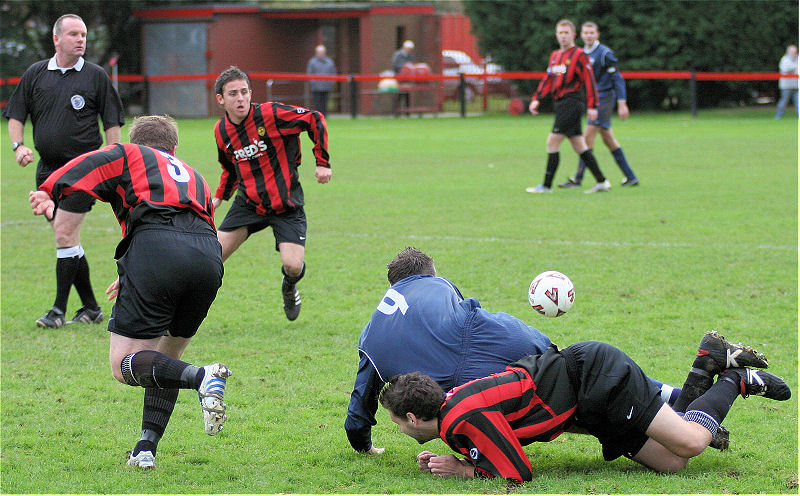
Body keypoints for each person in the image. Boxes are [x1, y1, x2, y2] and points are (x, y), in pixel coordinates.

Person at [29, 115, 232, 470]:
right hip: (207, 257)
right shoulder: (194, 175)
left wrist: (48, 189)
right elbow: (195, 227)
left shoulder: (130, 153)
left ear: (136, 140)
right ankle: (145, 449)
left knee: (123, 365)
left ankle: (204, 376)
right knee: (167, 359)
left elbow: (89, 162)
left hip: (157, 249)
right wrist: (135, 272)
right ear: (174, 148)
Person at [345, 247, 683, 455]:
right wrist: (543, 348)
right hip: (488, 346)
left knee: (559, 410)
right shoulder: (438, 283)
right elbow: (471, 319)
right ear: (429, 273)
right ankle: (668, 401)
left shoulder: (370, 335)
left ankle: (652, 425)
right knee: (571, 373)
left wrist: (362, 443)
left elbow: (361, 399)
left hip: (449, 399)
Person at [380, 332, 788, 483]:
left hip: (596, 378)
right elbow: (497, 441)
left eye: (398, 423)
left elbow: (518, 472)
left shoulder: (461, 418)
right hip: (584, 407)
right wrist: (454, 460)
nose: (400, 430)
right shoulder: (455, 407)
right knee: (671, 463)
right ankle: (707, 364)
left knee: (693, 442)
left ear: (413, 417)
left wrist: (463, 470)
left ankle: (736, 381)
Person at [3, 13, 125, 328]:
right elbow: (15, 114)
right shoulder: (35, 74)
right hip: (46, 174)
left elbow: (112, 123)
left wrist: (111, 165)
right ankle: (91, 308)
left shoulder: (96, 76)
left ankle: (58, 311)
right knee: (68, 238)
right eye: (73, 34)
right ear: (57, 38)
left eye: (83, 34)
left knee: (63, 233)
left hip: (84, 172)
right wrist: (19, 146)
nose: (80, 39)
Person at [212, 66, 331, 321]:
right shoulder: (221, 131)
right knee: (210, 259)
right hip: (249, 204)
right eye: (233, 94)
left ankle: (289, 285)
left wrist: (322, 162)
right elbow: (230, 167)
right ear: (221, 99)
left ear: (251, 93)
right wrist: (219, 196)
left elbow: (314, 118)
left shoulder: (271, 114)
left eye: (244, 92)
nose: (240, 98)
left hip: (286, 203)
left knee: (293, 265)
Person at [526, 19, 610, 194]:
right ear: (556, 35)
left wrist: (593, 106)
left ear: (573, 35)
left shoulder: (579, 55)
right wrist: (537, 98)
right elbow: (548, 79)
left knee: (552, 141)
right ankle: (602, 181)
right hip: (561, 103)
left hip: (572, 102)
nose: (563, 36)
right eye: (560, 33)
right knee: (579, 145)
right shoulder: (555, 56)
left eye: (566, 33)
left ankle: (546, 186)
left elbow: (590, 81)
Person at [560, 21, 638, 188]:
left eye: (591, 33)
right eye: (585, 33)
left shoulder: (604, 54)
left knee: (587, 137)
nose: (588, 36)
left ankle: (578, 179)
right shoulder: (581, 53)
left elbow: (617, 78)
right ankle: (631, 177)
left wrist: (622, 103)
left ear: (597, 34)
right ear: (581, 35)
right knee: (608, 138)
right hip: (592, 98)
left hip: (604, 98)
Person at [306, 44, 337, 116]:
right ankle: (317, 116)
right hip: (316, 87)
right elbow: (309, 73)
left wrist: (332, 83)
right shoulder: (312, 62)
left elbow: (333, 73)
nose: (321, 54)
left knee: (325, 102)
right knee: (317, 102)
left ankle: (325, 115)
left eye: (322, 52)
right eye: (319, 52)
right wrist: (313, 83)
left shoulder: (330, 62)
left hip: (327, 86)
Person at [391, 40, 415, 114]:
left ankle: (407, 112)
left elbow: (413, 65)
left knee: (407, 95)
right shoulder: (398, 55)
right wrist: (404, 66)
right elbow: (395, 65)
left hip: (407, 79)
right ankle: (397, 112)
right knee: (399, 95)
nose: (409, 50)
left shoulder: (411, 56)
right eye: (408, 48)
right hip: (399, 78)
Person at [775, 45, 798, 119]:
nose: (794, 53)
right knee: (783, 102)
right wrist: (796, 66)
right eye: (792, 51)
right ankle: (779, 116)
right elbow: (786, 69)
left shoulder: (797, 59)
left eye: (795, 51)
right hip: (786, 86)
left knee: (798, 102)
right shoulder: (785, 59)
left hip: (796, 85)